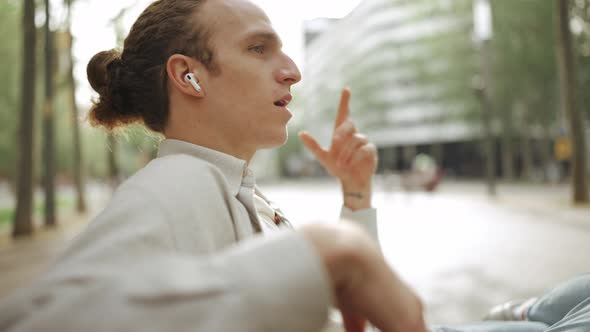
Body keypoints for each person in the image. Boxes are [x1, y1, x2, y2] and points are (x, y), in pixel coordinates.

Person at [0, 0, 427, 331]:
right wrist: (322, 249)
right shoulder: (174, 184)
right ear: (188, 76)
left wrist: (354, 196)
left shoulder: (230, 183)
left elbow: (337, 306)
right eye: (259, 48)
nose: (293, 71)